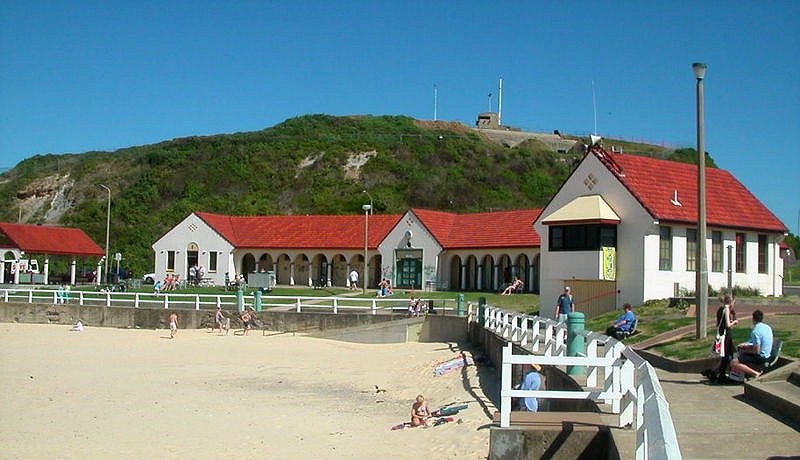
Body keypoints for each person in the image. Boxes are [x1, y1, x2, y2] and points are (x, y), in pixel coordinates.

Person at [701, 295, 739, 382]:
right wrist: (734, 322)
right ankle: (721, 374)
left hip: (722, 334)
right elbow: (728, 325)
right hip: (726, 336)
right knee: (728, 355)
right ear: (731, 301)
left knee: (727, 355)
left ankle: (716, 372)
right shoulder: (726, 309)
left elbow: (718, 324)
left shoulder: (720, 309)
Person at [730, 309, 773, 379]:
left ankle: (755, 374)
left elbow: (757, 351)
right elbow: (759, 342)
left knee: (734, 362)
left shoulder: (755, 331)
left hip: (761, 358)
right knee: (742, 353)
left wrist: (745, 350)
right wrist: (746, 344)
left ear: (753, 319)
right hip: (768, 355)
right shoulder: (767, 327)